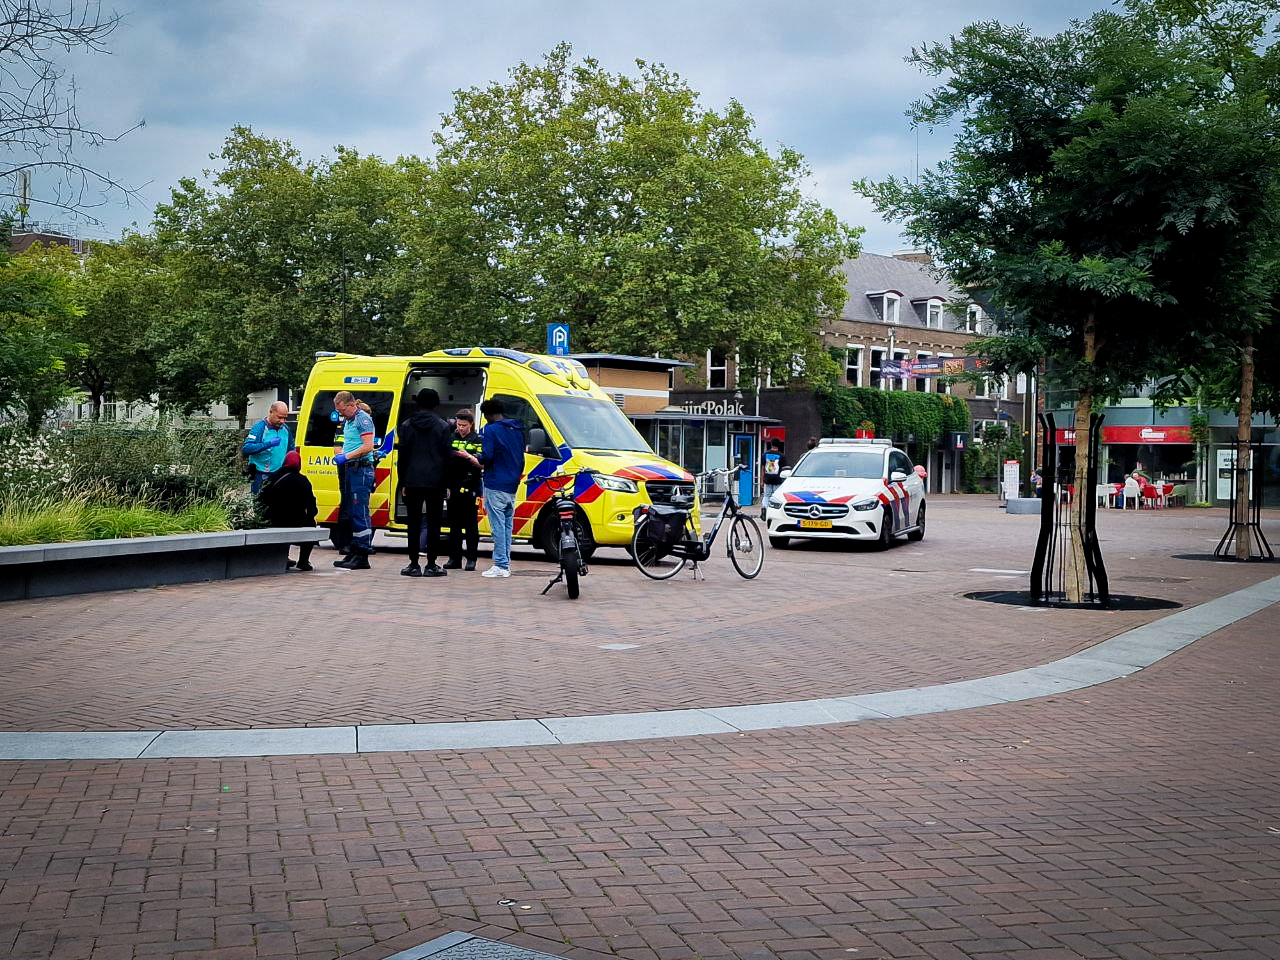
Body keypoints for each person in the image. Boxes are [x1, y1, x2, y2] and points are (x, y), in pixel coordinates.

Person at [397, 388, 453, 577]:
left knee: (412, 523)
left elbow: (402, 455)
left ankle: (413, 564)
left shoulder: (406, 425)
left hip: (412, 480)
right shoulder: (443, 426)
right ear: (436, 403)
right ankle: (431, 564)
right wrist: (447, 484)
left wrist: (402, 481)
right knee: (433, 523)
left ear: (417, 402)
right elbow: (447, 457)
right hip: (436, 482)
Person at [477, 397, 525, 578]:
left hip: (495, 481)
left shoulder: (491, 430)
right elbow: (521, 458)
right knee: (506, 526)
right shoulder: (517, 429)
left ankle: (501, 565)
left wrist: (478, 457)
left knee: (497, 526)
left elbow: (487, 456)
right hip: (511, 483)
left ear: (488, 414)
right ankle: (505, 563)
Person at [331, 390, 376, 570]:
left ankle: (362, 554)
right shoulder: (348, 420)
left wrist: (346, 456)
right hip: (351, 468)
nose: (341, 414)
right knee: (350, 511)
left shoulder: (362, 419)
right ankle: (353, 550)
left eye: (342, 410)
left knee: (360, 513)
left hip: (361, 469)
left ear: (351, 405)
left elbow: (368, 446)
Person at [257, 449, 318, 571]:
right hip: (297, 523)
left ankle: (283, 557)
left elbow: (260, 501)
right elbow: (312, 509)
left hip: (273, 522)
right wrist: (309, 516)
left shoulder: (272, 478)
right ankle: (303, 561)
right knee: (311, 524)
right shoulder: (303, 481)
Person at [444, 409, 483, 571]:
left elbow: (482, 463)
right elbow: (444, 460)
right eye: (459, 424)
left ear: (471, 424)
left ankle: (471, 559)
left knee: (471, 525)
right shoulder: (451, 437)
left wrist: (468, 456)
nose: (461, 428)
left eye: (464, 425)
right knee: (454, 525)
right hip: (453, 485)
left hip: (470, 485)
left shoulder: (478, 439)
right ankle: (454, 558)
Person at [242, 401, 290, 494]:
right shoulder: (259, 428)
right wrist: (268, 444)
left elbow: (290, 450)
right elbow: (247, 448)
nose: (282, 421)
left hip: (279, 474)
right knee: (260, 505)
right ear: (271, 412)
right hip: (261, 475)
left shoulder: (286, 429)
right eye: (280, 417)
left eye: (285, 418)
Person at [761, 439, 787, 519]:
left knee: (766, 496)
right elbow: (784, 469)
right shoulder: (781, 456)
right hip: (777, 480)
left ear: (771, 444)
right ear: (778, 445)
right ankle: (774, 514)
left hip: (767, 479)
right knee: (776, 497)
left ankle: (765, 508)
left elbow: (762, 468)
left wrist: (762, 480)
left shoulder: (765, 454)